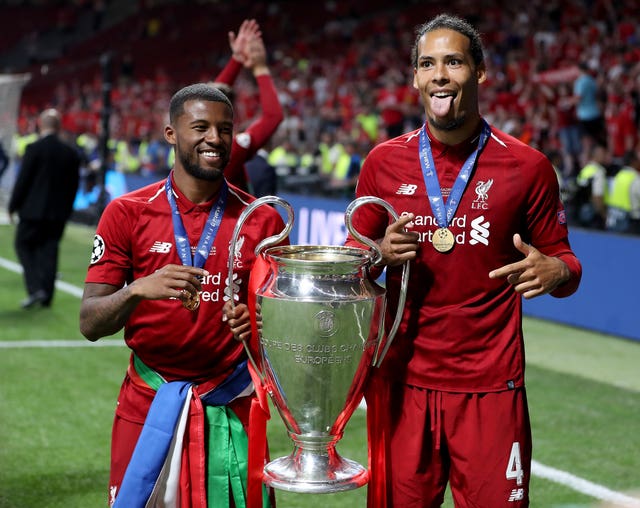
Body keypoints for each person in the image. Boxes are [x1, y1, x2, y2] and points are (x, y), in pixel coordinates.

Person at [345, 14, 582, 507]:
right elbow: (350, 267)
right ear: (414, 77)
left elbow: (565, 262)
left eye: (453, 61)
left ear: (479, 73)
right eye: (427, 63)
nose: (440, 75)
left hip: (491, 387)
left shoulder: (527, 167)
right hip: (403, 382)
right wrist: (377, 254)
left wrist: (556, 269)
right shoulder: (383, 163)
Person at [79, 84, 284, 507]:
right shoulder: (127, 212)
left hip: (232, 404)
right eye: (201, 127)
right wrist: (137, 290)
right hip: (150, 401)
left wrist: (259, 321)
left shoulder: (261, 219)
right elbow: (90, 323)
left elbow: (281, 323)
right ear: (171, 133)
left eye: (225, 129)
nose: (215, 138)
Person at [8, 108, 80, 308]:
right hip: (58, 214)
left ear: (41, 125)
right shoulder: (70, 153)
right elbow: (73, 186)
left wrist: (13, 205)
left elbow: (23, 181)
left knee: (23, 245)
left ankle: (35, 288)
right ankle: (47, 296)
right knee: (50, 250)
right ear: (59, 127)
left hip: (32, 211)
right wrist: (67, 210)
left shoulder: (34, 148)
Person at [211, 19, 283, 194]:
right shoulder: (230, 151)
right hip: (230, 220)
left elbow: (207, 103)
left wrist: (236, 60)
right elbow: (273, 117)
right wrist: (260, 68)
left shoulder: (186, 143)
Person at [574, 143, 609, 229]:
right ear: (596, 155)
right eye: (603, 153)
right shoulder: (598, 172)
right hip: (594, 214)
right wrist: (604, 215)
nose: (605, 156)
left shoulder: (585, 170)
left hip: (582, 212)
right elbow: (597, 197)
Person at [605, 148, 640, 235]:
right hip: (632, 222)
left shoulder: (618, 176)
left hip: (615, 218)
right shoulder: (635, 179)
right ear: (634, 161)